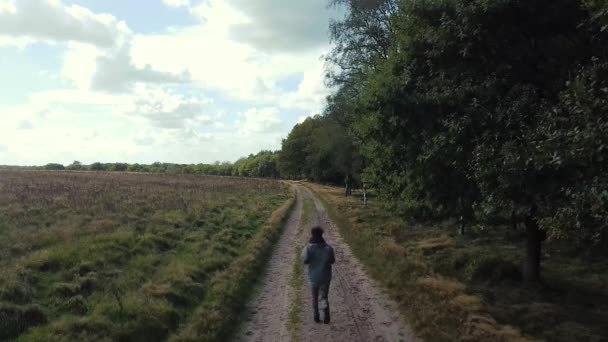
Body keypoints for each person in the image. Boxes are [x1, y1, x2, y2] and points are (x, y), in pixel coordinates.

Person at [302, 226, 335, 324]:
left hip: (313, 277)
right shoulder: (329, 248)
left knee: (314, 297)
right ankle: (326, 317)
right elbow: (332, 261)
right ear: (322, 234)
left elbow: (305, 261)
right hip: (325, 277)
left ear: (312, 234)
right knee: (324, 297)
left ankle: (316, 316)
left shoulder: (308, 248)